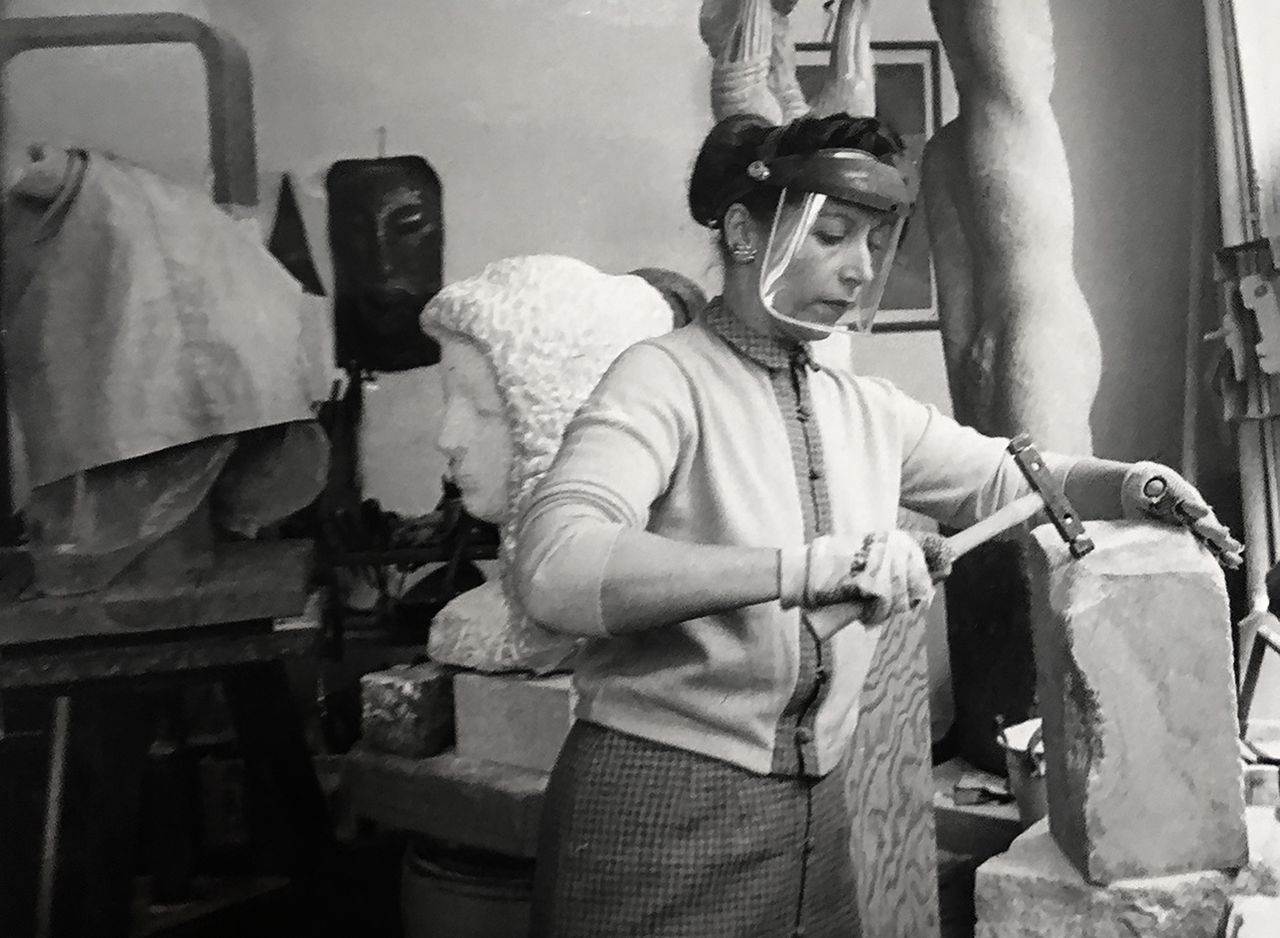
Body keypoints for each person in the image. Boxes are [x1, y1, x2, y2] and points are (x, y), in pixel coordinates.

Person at [512, 112, 1242, 938]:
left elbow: (1012, 476)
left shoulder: (861, 409)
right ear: (746, 232)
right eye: (831, 236)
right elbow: (553, 567)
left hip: (814, 818)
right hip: (655, 811)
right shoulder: (661, 380)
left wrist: (1134, 482)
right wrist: (804, 569)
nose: (861, 269)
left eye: (873, 240)